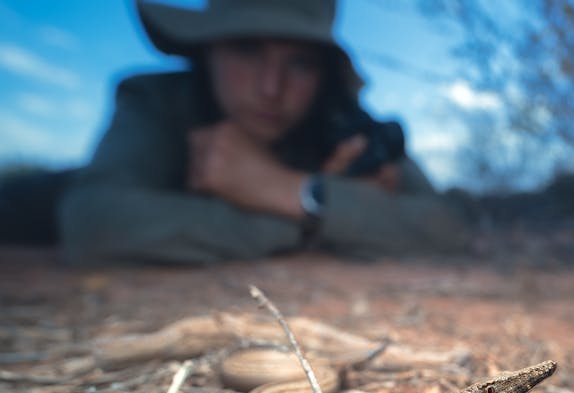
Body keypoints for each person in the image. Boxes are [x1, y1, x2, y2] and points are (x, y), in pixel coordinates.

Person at [52, 0, 472, 264]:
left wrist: (299, 193)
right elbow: (91, 221)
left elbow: (450, 225)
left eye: (300, 63)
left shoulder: (350, 127)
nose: (271, 88)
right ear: (207, 49)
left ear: (323, 75)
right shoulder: (156, 100)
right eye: (247, 49)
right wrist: (304, 220)